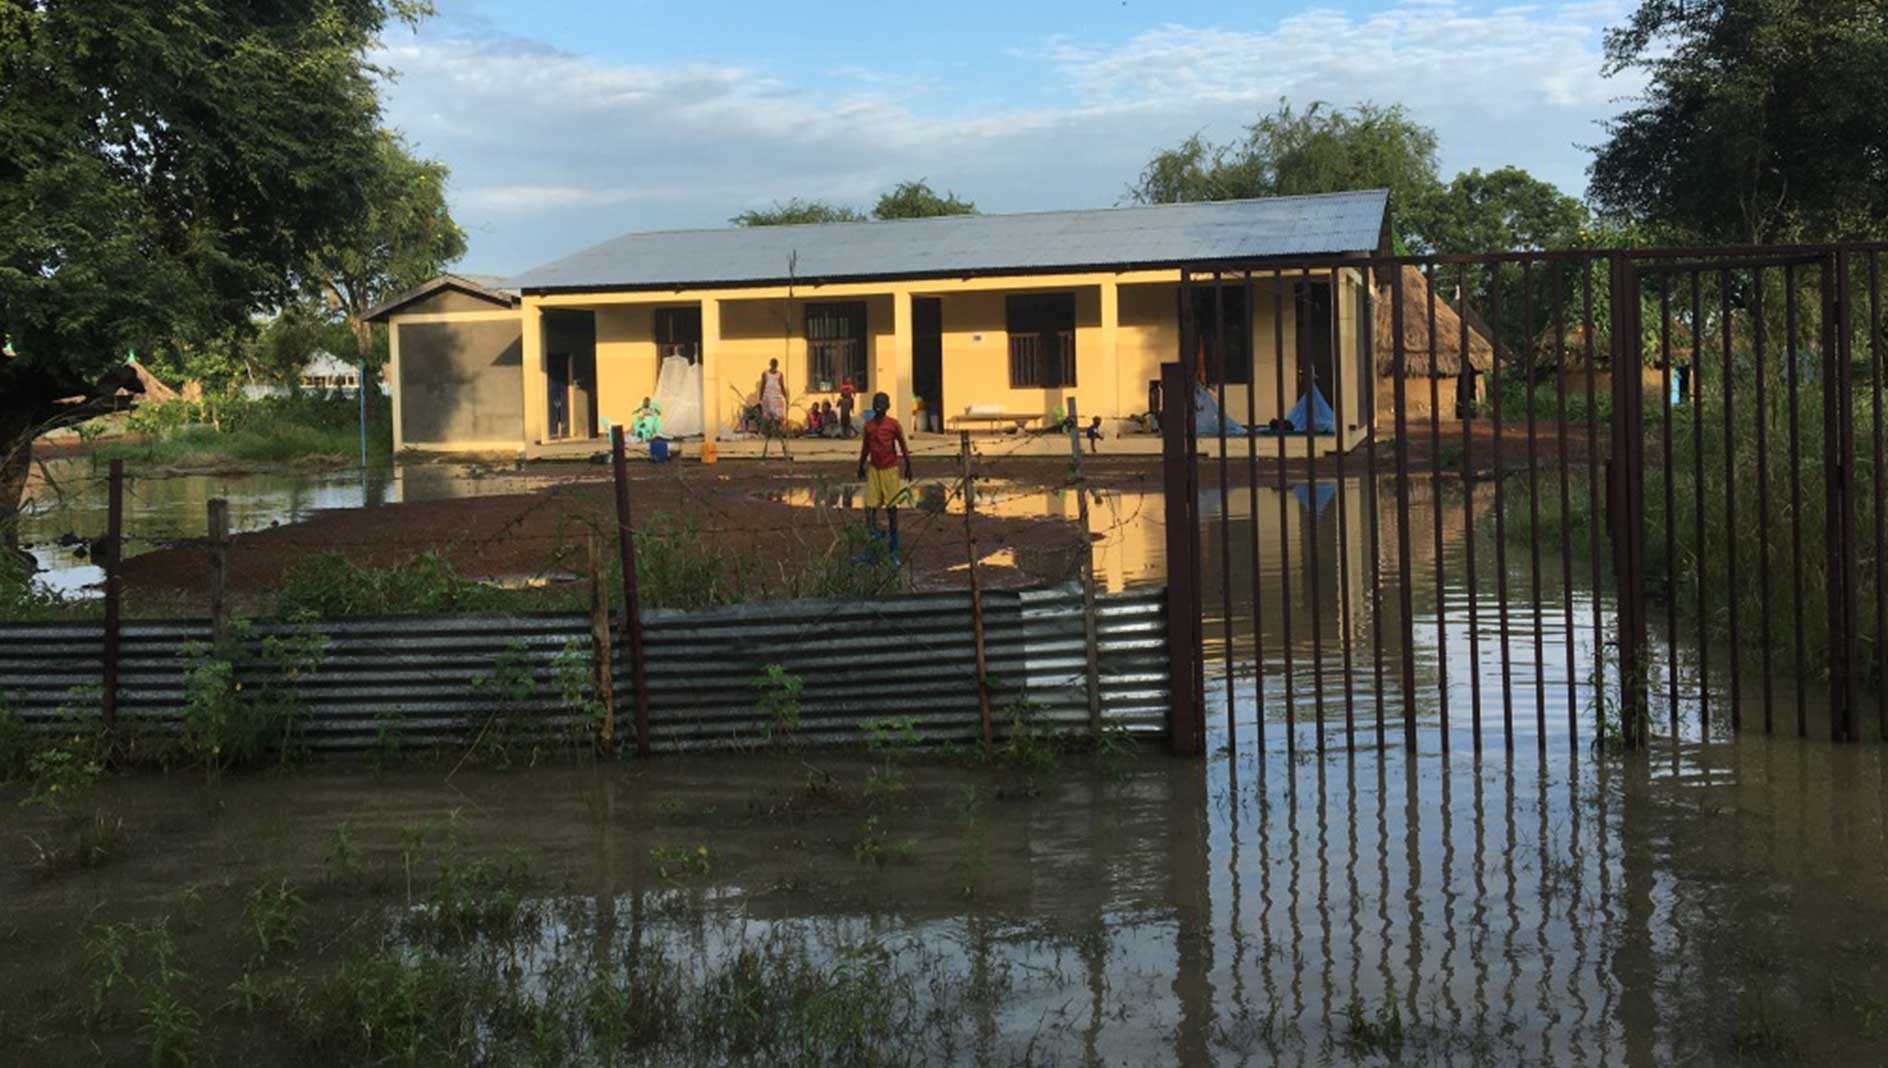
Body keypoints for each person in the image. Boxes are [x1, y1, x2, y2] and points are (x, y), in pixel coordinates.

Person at [856, 390, 913, 556]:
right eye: (876, 403)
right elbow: (865, 448)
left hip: (890, 468)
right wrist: (860, 466)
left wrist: (908, 464)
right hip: (874, 469)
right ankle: (872, 541)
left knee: (892, 507)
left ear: (887, 406)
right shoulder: (869, 426)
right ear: (873, 406)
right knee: (870, 507)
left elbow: (902, 444)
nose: (879, 406)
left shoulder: (893, 425)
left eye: (882, 403)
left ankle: (894, 545)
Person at [759, 358, 787, 430]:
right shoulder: (765, 373)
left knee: (778, 415)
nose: (774, 365)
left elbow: (782, 386)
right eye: (772, 363)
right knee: (767, 415)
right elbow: (762, 385)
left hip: (777, 397)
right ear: (770, 364)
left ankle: (777, 430)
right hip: (767, 397)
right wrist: (760, 397)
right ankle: (768, 431)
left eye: (775, 364)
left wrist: (785, 397)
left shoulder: (780, 374)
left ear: (777, 365)